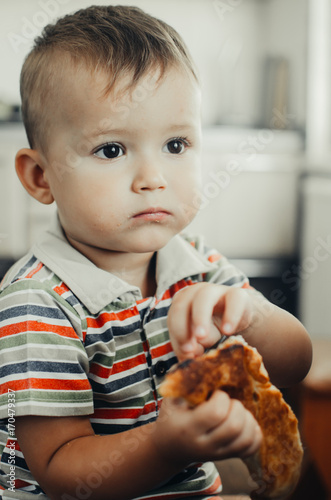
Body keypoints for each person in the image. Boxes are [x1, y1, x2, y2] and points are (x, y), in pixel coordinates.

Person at [0, 5, 312, 500]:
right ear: (41, 177)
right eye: (111, 150)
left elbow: (295, 364)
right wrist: (166, 445)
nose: (154, 179)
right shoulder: (35, 304)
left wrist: (249, 312)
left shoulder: (198, 263)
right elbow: (61, 474)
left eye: (176, 143)